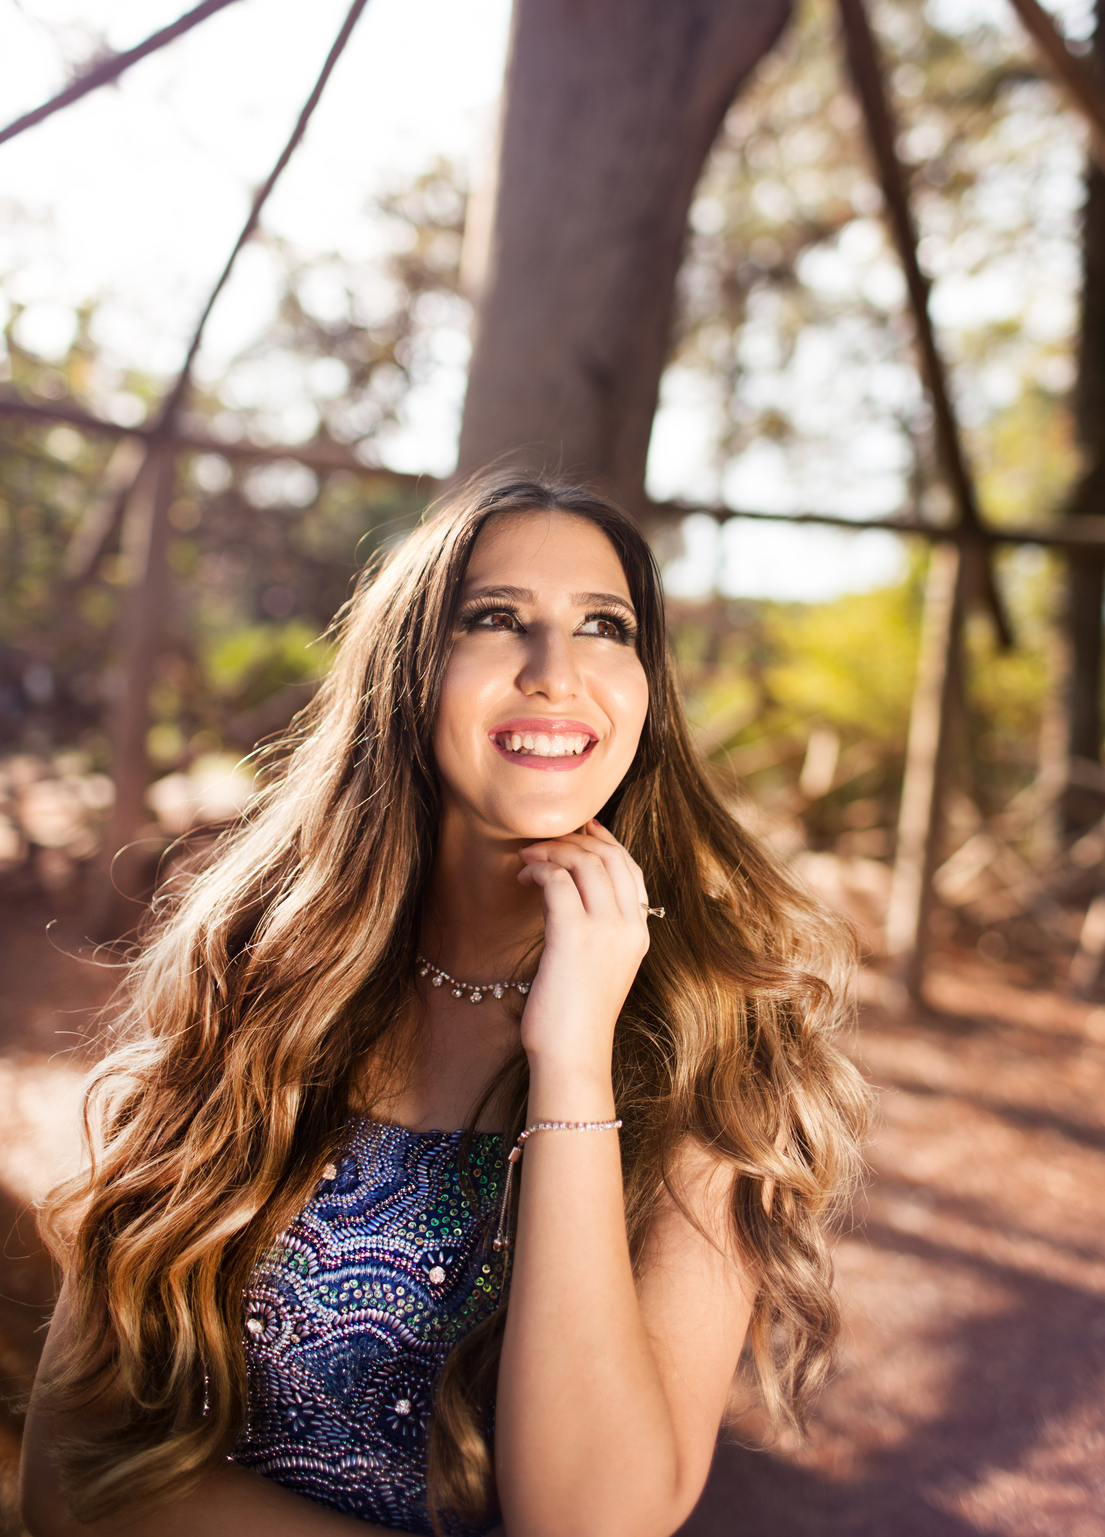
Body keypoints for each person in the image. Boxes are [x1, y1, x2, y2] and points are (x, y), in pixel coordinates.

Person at [22, 471, 870, 1537]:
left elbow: (592, 1522)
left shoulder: (726, 1037)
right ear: (409, 671)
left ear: (647, 686)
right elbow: (71, 1471)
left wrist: (572, 1061)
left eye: (603, 627)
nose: (555, 674)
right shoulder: (249, 974)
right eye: (496, 619)